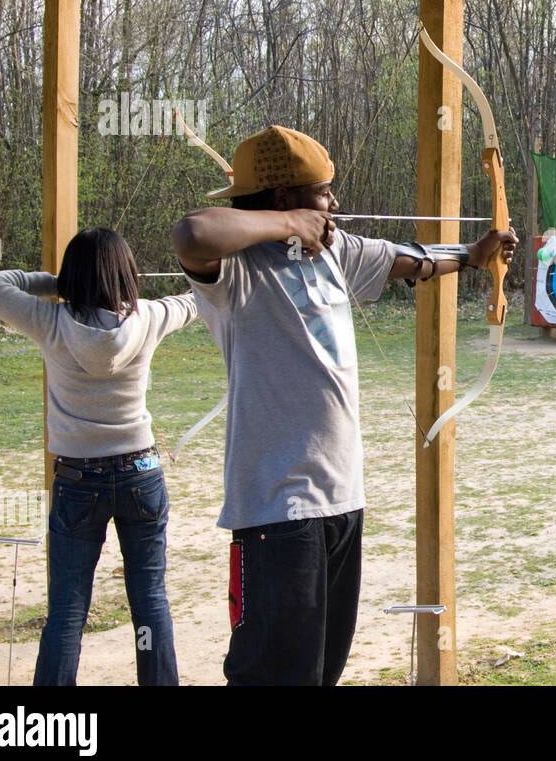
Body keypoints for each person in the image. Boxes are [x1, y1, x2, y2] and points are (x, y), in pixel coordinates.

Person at [170, 124, 516, 685]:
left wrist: (475, 256)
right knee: (274, 675)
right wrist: (287, 226)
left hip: (341, 499)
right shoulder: (235, 273)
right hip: (276, 512)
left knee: (321, 672)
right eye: (324, 193)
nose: (334, 203)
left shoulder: (335, 252)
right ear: (286, 200)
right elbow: (190, 234)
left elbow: (413, 260)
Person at [0, 228, 198, 685]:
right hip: (141, 475)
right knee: (150, 599)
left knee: (68, 610)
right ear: (127, 275)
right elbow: (197, 300)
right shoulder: (149, 316)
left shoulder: (49, 321)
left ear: (72, 279)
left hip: (78, 481)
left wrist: (57, 284)